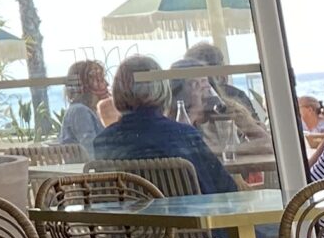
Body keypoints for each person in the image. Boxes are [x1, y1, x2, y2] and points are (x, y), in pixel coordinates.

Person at [91, 54, 237, 193]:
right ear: (162, 88)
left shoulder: (104, 141)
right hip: (185, 211)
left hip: (132, 211)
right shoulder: (183, 135)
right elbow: (225, 188)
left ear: (117, 92)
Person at [58, 59, 109, 147]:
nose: (107, 84)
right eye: (99, 80)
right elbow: (92, 149)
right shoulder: (80, 111)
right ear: (86, 85)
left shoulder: (89, 110)